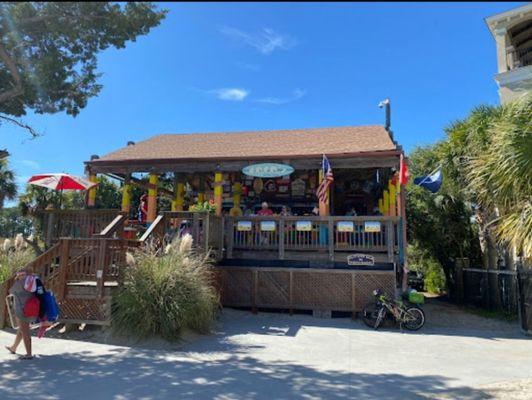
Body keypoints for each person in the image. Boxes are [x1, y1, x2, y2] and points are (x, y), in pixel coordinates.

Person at [5, 269, 35, 359]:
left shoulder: (19, 283)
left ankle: (29, 354)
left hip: (21, 310)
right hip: (31, 308)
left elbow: (10, 291)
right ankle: (13, 347)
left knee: (25, 331)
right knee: (22, 329)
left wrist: (17, 280)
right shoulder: (32, 282)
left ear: (20, 276)